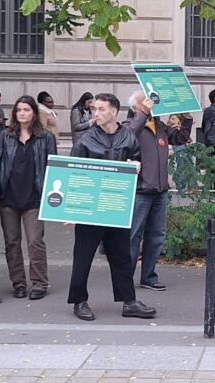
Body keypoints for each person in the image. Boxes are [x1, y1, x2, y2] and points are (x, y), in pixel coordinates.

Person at [68, 93, 155, 321]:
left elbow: (137, 165)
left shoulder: (128, 138)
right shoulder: (85, 140)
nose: (95, 113)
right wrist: (70, 208)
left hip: (116, 206)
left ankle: (129, 302)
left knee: (122, 257)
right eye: (94, 109)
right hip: (90, 210)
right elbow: (73, 174)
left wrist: (136, 168)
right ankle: (79, 301)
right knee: (83, 257)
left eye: (101, 109)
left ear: (114, 112)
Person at [123, 88, 193, 291]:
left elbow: (180, 139)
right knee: (133, 236)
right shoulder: (129, 126)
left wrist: (186, 118)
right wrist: (142, 113)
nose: (151, 103)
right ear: (136, 106)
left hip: (160, 191)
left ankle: (149, 276)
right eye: (145, 101)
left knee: (157, 236)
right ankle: (125, 277)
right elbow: (126, 139)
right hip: (140, 191)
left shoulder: (160, 126)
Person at [0, 95, 57, 300]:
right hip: (8, 198)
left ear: (34, 113)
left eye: (26, 109)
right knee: (12, 242)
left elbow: (53, 169)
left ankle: (40, 283)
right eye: (19, 110)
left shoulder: (46, 137)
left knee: (35, 241)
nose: (22, 113)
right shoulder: (5, 136)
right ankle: (18, 282)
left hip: (34, 198)